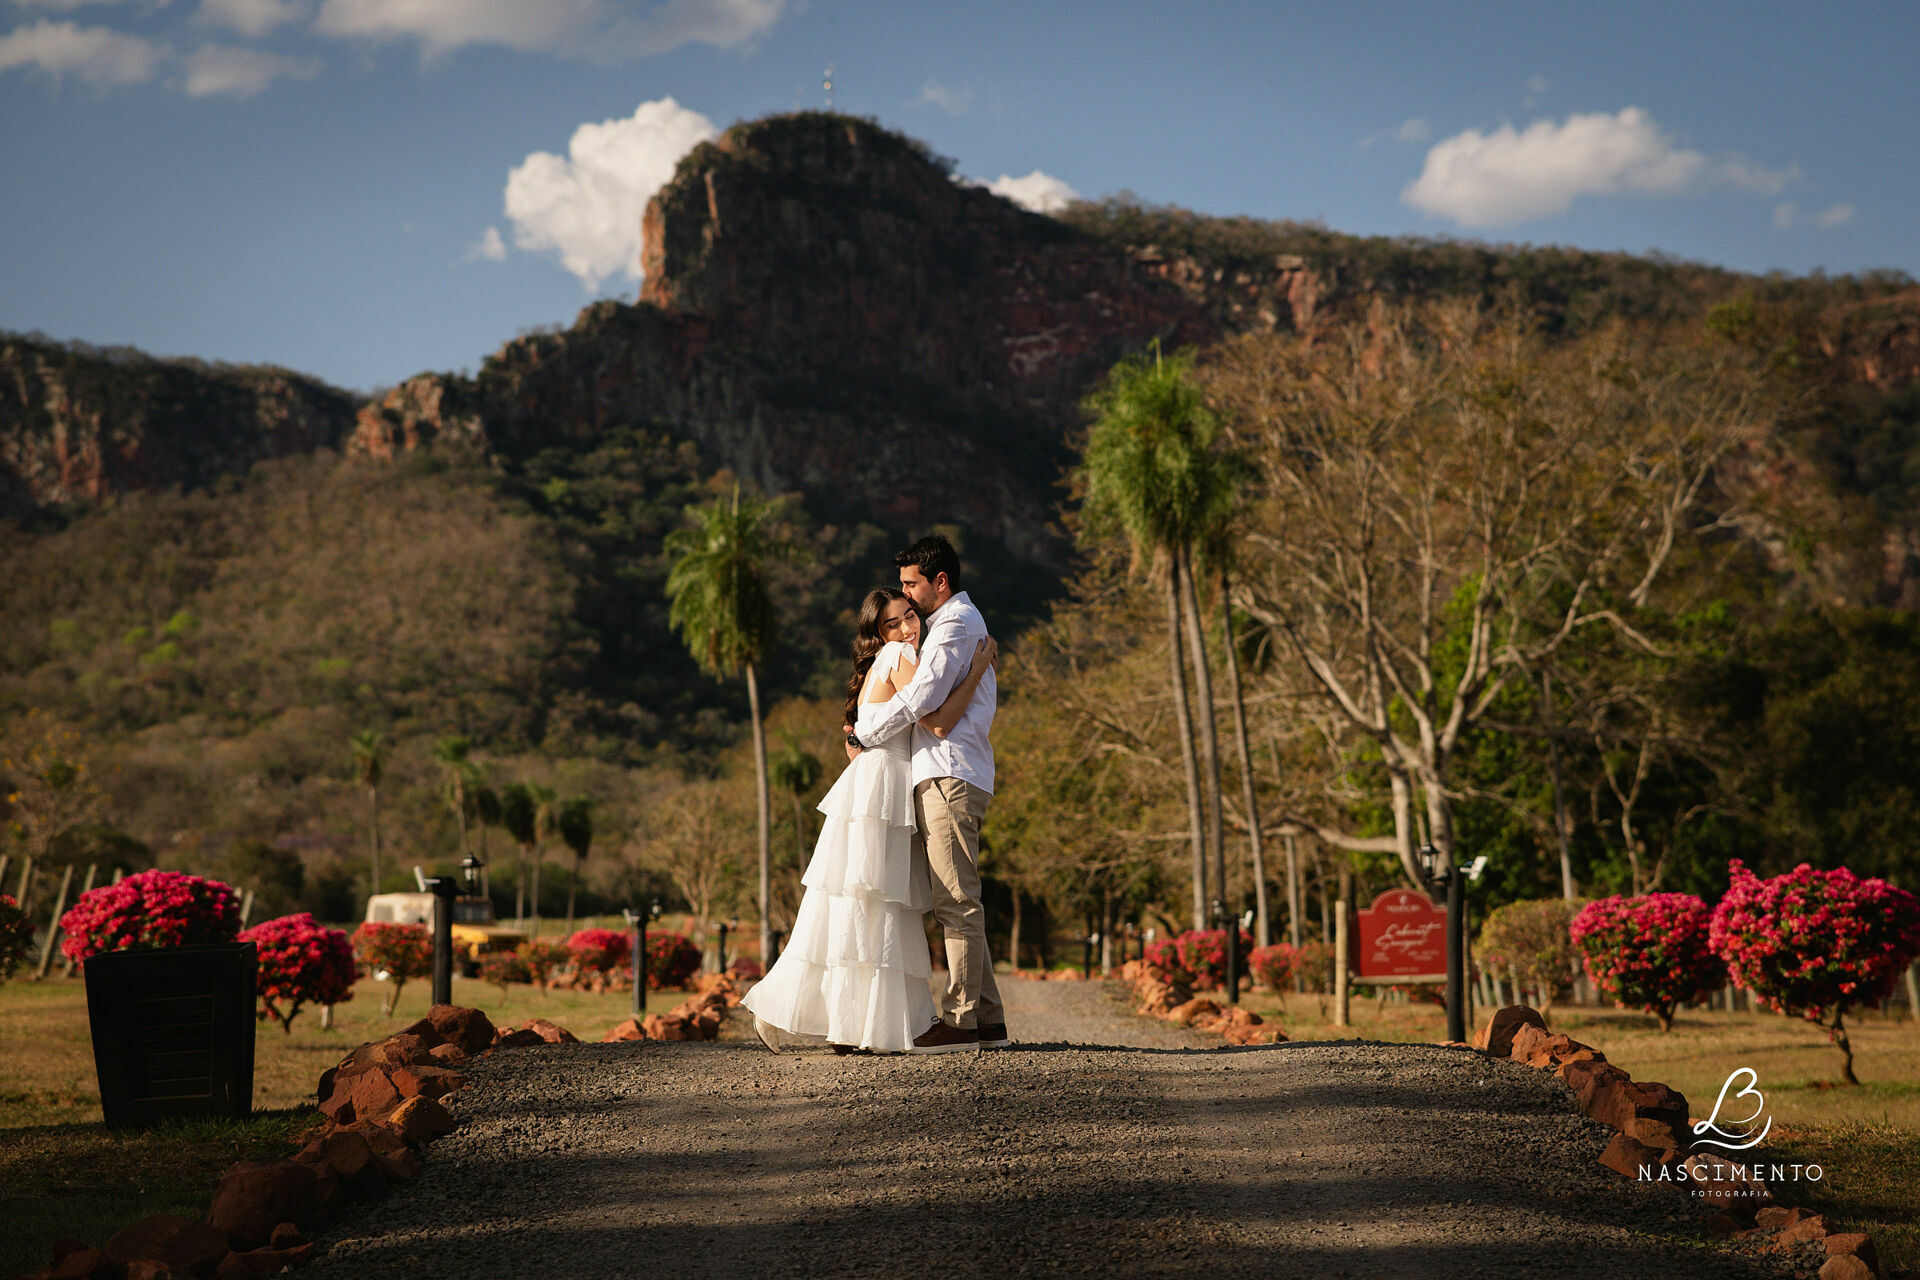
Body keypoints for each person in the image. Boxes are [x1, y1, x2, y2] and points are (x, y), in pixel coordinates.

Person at [743, 587, 996, 1054]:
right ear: (878, 634)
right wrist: (977, 669)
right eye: (892, 623)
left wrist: (860, 736)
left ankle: (853, 1023)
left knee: (865, 903)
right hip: (881, 791)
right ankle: (854, 1022)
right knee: (874, 901)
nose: (907, 628)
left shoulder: (885, 659)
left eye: (910, 616)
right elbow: (937, 718)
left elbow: (883, 724)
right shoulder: (900, 656)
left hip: (876, 784)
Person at [846, 534, 1006, 1053]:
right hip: (946, 773)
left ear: (940, 581)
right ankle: (988, 1021)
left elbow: (923, 700)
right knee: (958, 898)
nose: (906, 595)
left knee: (956, 900)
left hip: (948, 775)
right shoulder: (946, 626)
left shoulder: (955, 625)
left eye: (911, 585)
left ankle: (960, 1022)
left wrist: (864, 732)